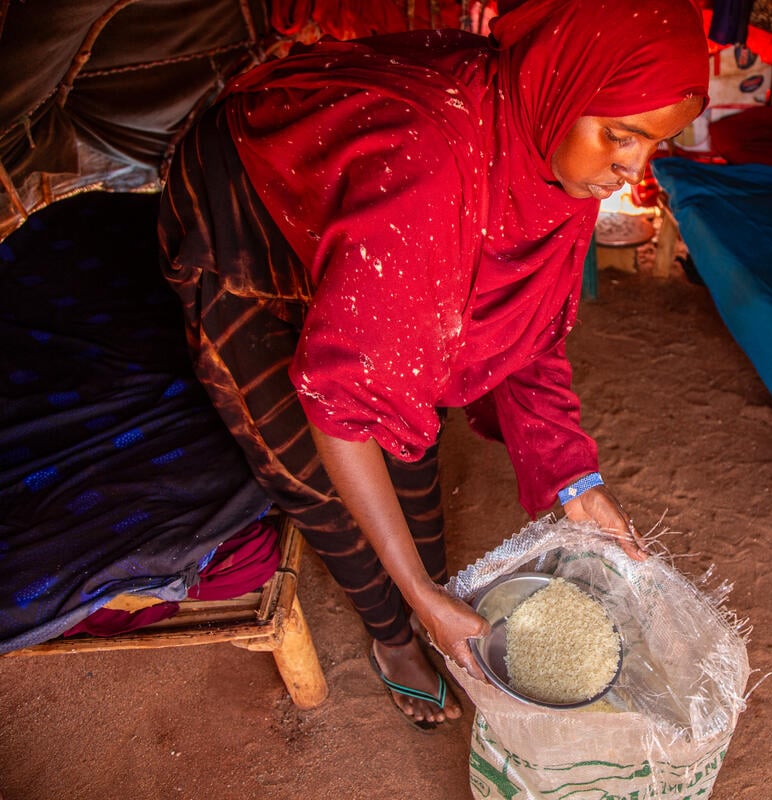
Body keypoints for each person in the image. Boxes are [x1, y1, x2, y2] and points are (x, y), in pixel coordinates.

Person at [158, 0, 710, 730]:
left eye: (653, 146)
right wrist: (417, 594)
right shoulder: (431, 176)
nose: (632, 168)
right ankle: (395, 637)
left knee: (408, 424)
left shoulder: (555, 148)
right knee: (313, 461)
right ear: (567, 89)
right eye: (620, 135)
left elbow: (527, 327)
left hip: (378, 209)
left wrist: (577, 482)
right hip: (250, 208)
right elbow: (341, 410)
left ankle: (427, 599)